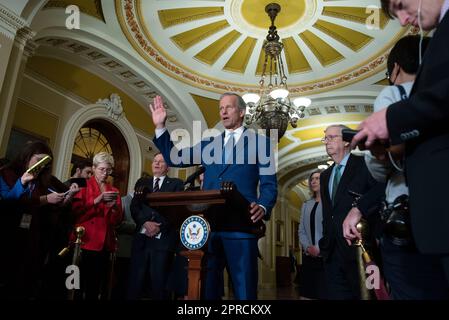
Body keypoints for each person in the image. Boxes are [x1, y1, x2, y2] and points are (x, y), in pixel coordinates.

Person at [352, 0, 449, 290]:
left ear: (394, 70)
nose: (405, 20)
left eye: (402, 6)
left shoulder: (392, 97)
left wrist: (391, 122)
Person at [150, 93, 278, 300]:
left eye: (229, 107)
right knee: (208, 291)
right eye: (220, 108)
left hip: (241, 226)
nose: (223, 112)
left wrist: (262, 205)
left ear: (242, 112)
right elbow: (175, 158)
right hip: (208, 228)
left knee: (244, 291)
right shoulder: (209, 143)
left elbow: (270, 185)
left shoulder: (261, 144)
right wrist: (160, 127)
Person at [0, 141, 77, 299]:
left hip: (33, 236)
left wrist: (67, 198)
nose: (42, 165)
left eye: (46, 162)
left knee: (27, 279)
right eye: (39, 160)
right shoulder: (7, 173)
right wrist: (23, 182)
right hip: (9, 233)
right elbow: (8, 201)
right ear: (27, 156)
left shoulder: (43, 180)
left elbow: (51, 206)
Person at [318, 125, 384, 299]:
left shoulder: (365, 164)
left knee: (368, 295)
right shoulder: (325, 176)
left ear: (347, 140)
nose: (327, 142)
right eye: (325, 138)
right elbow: (328, 213)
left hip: (361, 250)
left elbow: (380, 193)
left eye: (332, 137)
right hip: (331, 252)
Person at [126, 152, 184, 300]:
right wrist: (145, 222)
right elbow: (135, 207)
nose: (156, 164)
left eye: (161, 161)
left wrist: (159, 226)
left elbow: (177, 209)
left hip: (163, 240)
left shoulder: (176, 184)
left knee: (159, 284)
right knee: (135, 282)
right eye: (155, 161)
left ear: (168, 167)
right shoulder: (142, 183)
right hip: (142, 240)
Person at [71, 152, 123, 300]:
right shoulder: (82, 185)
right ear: (93, 168)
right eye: (102, 169)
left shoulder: (114, 191)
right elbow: (75, 213)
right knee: (76, 285)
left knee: (95, 287)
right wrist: (97, 200)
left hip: (103, 244)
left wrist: (114, 208)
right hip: (83, 241)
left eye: (108, 170)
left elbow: (116, 221)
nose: (105, 173)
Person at [298, 169, 326, 299]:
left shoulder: (330, 204)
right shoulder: (306, 204)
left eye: (318, 178)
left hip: (326, 256)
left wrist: (319, 248)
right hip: (309, 256)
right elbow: (301, 230)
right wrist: (307, 247)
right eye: (312, 179)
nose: (313, 181)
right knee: (307, 294)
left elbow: (331, 230)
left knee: (324, 292)